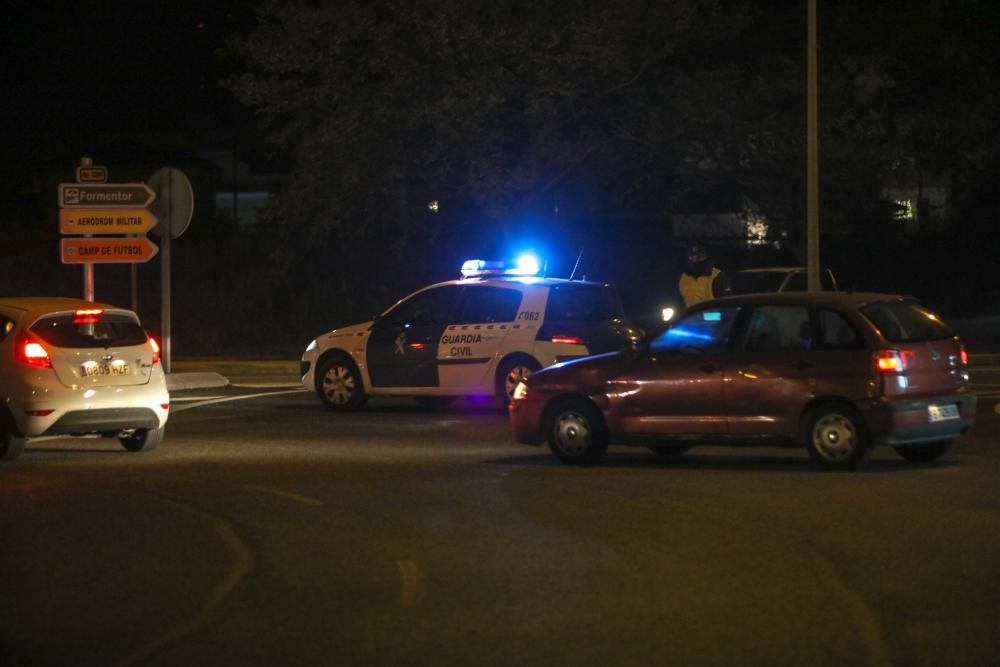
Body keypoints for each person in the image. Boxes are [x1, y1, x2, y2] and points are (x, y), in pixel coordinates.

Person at [678, 242, 731, 308]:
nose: (695, 260)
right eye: (692, 257)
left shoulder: (717, 275)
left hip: (712, 316)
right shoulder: (684, 277)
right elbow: (679, 300)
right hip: (691, 316)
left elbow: (726, 300)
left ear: (705, 257)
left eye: (698, 257)